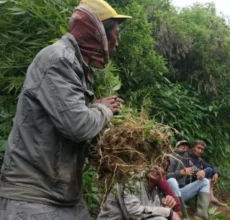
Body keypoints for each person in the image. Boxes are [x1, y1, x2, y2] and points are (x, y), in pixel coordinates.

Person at [0, 0, 131, 218]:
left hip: (62, 198)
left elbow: (70, 118)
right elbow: (78, 125)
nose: (116, 44)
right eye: (115, 35)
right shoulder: (59, 59)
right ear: (96, 32)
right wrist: (104, 110)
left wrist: (93, 109)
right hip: (34, 199)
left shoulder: (77, 67)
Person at [98, 166, 181, 220]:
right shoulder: (131, 179)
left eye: (161, 166)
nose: (156, 167)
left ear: (164, 175)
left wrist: (166, 206)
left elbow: (150, 212)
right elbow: (133, 212)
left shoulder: (155, 190)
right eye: (154, 162)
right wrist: (167, 212)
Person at [166, 141, 210, 220]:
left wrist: (202, 172)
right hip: (168, 195)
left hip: (180, 194)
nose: (184, 150)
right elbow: (164, 177)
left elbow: (197, 171)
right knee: (172, 180)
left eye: (187, 149)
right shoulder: (171, 157)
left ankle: (201, 216)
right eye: (182, 148)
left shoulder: (187, 160)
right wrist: (181, 172)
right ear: (176, 148)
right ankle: (184, 217)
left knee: (205, 181)